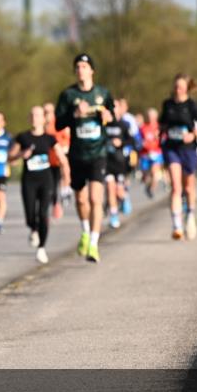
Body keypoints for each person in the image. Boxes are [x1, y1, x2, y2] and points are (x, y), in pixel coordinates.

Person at [54, 53, 115, 263]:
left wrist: (108, 116)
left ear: (92, 71)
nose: (80, 70)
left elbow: (113, 115)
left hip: (98, 153)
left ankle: (94, 244)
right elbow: (58, 124)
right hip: (77, 154)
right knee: (81, 199)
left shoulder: (103, 93)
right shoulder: (68, 95)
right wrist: (75, 115)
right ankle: (86, 231)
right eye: (78, 67)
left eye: (84, 66)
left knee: (96, 199)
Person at [10, 105, 69, 263]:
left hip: (46, 180)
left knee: (43, 214)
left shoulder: (50, 138)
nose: (34, 118)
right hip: (29, 181)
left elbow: (62, 158)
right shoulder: (23, 137)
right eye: (32, 115)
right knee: (30, 215)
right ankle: (33, 228)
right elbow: (10, 158)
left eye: (38, 115)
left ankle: (41, 248)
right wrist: (21, 154)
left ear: (44, 119)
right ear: (29, 118)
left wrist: (67, 176)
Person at [159, 74, 197, 240]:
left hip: (188, 149)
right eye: (176, 86)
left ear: (187, 88)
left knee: (188, 188)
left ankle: (190, 216)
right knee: (176, 186)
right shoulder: (167, 104)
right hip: (171, 148)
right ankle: (177, 226)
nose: (177, 89)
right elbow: (162, 123)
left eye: (180, 86)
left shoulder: (192, 105)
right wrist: (163, 132)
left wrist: (194, 135)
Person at [104, 99, 135, 230]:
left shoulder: (124, 125)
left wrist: (121, 143)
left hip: (120, 162)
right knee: (110, 188)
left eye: (115, 107)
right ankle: (114, 215)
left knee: (119, 190)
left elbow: (133, 142)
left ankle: (124, 197)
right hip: (107, 162)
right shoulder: (104, 125)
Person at [43, 102, 71, 220]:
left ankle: (66, 190)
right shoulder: (41, 126)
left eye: (49, 112)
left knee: (64, 171)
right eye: (45, 112)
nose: (47, 114)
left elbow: (67, 139)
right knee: (51, 185)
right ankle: (55, 204)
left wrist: (63, 148)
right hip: (47, 160)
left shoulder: (59, 124)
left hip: (59, 158)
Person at [139, 108, 164, 197]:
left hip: (156, 153)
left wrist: (159, 138)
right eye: (149, 116)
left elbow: (164, 139)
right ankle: (147, 184)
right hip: (145, 154)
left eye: (152, 116)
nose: (151, 118)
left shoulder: (159, 127)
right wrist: (142, 143)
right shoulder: (143, 128)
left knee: (155, 172)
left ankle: (151, 189)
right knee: (145, 176)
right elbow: (138, 139)